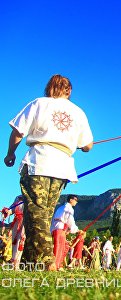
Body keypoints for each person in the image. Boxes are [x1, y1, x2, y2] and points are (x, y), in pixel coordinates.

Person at [4, 74, 93, 268]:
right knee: (38, 215)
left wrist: (10, 153)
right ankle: (30, 263)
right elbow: (88, 145)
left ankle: (46, 262)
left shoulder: (39, 103)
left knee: (37, 213)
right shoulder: (78, 112)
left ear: (49, 88)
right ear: (69, 91)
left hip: (40, 161)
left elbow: (18, 131)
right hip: (62, 168)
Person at [50, 194, 82, 270]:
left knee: (60, 246)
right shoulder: (69, 208)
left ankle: (57, 265)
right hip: (60, 229)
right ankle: (56, 266)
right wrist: (77, 230)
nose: (76, 202)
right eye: (75, 200)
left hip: (56, 228)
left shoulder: (60, 208)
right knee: (59, 248)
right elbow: (70, 221)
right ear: (71, 200)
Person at [1, 195, 25, 270]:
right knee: (14, 242)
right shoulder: (18, 197)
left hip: (26, 222)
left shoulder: (32, 196)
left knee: (21, 241)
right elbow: (12, 208)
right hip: (17, 222)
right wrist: (8, 211)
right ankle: (14, 264)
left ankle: (17, 263)